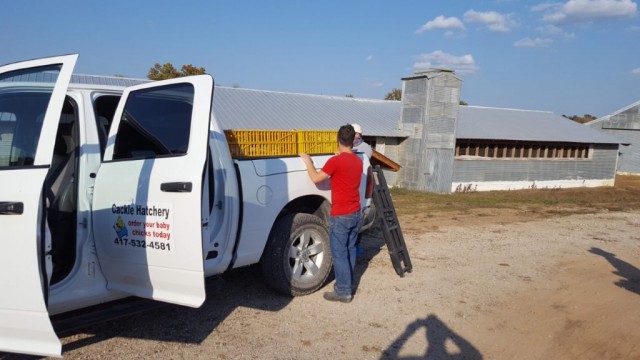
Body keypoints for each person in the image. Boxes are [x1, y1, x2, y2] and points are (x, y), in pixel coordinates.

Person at [299, 124, 362, 303]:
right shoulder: (357, 161)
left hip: (341, 214)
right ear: (353, 141)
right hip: (356, 213)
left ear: (338, 140)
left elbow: (316, 178)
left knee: (339, 253)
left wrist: (308, 162)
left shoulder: (336, 161)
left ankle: (342, 291)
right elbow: (345, 169)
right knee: (349, 250)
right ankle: (348, 285)